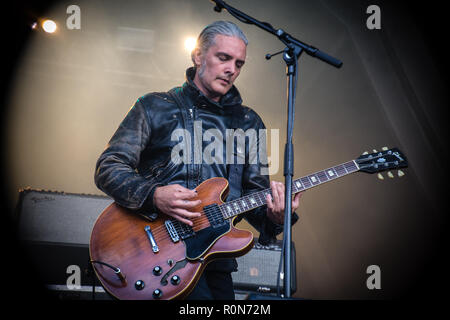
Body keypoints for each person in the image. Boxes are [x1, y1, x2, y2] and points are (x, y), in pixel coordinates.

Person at [94, 20, 302, 300]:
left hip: (215, 261)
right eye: (223, 58)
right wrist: (154, 195)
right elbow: (109, 167)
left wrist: (276, 217)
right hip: (155, 254)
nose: (231, 69)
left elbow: (255, 196)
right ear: (198, 55)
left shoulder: (250, 123)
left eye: (239, 63)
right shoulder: (155, 106)